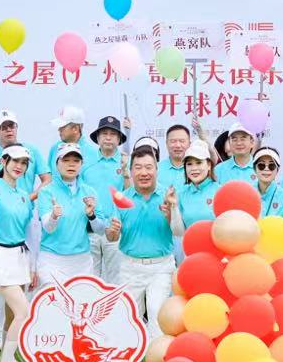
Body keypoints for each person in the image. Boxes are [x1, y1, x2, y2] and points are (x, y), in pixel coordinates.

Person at [0, 144, 40, 362]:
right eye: (15, 161)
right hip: (0, 255)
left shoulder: (23, 194)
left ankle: (7, 360)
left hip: (20, 255)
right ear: (3, 161)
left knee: (12, 314)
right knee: (23, 312)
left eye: (24, 163)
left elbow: (28, 231)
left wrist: (31, 264)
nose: (19, 166)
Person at [111, 137, 178, 323]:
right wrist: (113, 230)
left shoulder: (168, 197)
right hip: (129, 266)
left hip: (161, 266)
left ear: (157, 169)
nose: (144, 173)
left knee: (157, 314)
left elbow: (178, 230)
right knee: (128, 319)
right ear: (131, 171)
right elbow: (111, 236)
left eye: (149, 167)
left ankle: (156, 343)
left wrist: (171, 214)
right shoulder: (121, 198)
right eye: (138, 168)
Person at [37, 143, 103, 287]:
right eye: (66, 160)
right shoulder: (46, 191)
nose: (71, 164)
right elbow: (48, 228)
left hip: (81, 260)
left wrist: (92, 216)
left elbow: (100, 230)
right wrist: (54, 216)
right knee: (53, 298)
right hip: (51, 259)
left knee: (81, 301)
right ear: (57, 164)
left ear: (81, 164)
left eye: (76, 161)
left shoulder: (89, 192)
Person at [83, 117, 130, 278]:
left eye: (113, 134)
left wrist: (126, 173)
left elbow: (130, 195)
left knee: (115, 279)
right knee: (90, 279)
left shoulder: (126, 162)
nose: (108, 138)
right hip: (89, 229)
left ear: (119, 139)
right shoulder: (85, 163)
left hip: (115, 229)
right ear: (97, 138)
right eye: (104, 134)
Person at [173, 141, 220, 252]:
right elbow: (178, 232)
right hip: (191, 253)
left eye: (199, 163)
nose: (194, 168)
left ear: (209, 165)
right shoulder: (181, 194)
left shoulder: (220, 191)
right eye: (189, 164)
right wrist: (173, 206)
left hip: (217, 253)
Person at [0, 112, 44, 185]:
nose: (8, 130)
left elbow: (47, 179)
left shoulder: (32, 150)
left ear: (17, 127)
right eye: (4, 127)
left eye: (11, 126)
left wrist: (34, 193)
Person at [250, 147, 283, 220]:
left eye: (271, 166)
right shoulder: (246, 193)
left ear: (277, 169)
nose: (266, 169)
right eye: (261, 165)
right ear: (254, 168)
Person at [158, 122, 193, 195]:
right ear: (166, 143)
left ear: (189, 144)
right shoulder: (156, 169)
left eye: (182, 141)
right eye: (173, 141)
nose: (178, 145)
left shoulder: (196, 170)